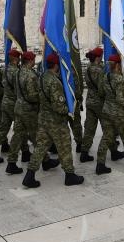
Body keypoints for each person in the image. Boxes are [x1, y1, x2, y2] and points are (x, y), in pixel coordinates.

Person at [22, 53, 84, 188]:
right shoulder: (55, 82)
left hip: (44, 119)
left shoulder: (43, 77)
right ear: (56, 65)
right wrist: (69, 110)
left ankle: (29, 175)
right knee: (65, 147)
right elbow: (58, 106)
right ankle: (70, 175)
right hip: (56, 121)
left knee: (40, 148)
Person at [6, 51, 40, 174]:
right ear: (31, 61)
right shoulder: (30, 75)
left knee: (18, 135)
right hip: (28, 110)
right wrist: (41, 97)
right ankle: (45, 160)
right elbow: (31, 96)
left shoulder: (18, 72)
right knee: (36, 135)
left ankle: (11, 162)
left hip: (18, 107)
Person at [0, 49, 21, 157]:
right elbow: (18, 88)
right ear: (16, 59)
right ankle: (23, 152)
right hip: (13, 103)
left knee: (3, 128)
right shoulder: (16, 72)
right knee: (20, 128)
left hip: (5, 101)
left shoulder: (4, 69)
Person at [79, 47, 104, 162]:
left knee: (89, 128)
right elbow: (101, 88)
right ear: (98, 57)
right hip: (99, 102)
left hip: (89, 100)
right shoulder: (99, 70)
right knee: (108, 127)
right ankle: (114, 150)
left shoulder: (88, 68)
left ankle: (84, 152)